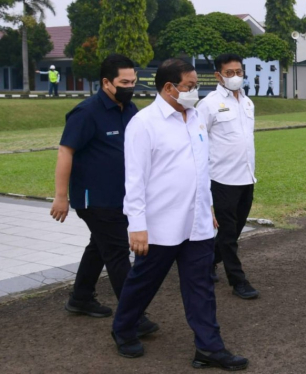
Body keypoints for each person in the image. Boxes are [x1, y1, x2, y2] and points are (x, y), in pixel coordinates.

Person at [111, 58, 248, 371]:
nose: (194, 91)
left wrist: (209, 207)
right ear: (169, 87)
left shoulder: (196, 117)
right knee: (144, 281)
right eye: (189, 86)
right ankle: (123, 328)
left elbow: (201, 168)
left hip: (197, 223)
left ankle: (209, 348)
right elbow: (134, 180)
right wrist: (137, 226)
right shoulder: (144, 124)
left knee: (200, 286)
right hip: (160, 225)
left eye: (196, 85)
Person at [49, 54, 157, 335]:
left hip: (121, 197)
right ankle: (133, 315)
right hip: (94, 198)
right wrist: (61, 196)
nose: (130, 86)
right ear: (106, 82)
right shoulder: (86, 112)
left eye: (133, 81)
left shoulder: (130, 109)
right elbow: (65, 151)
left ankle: (81, 298)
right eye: (124, 82)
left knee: (99, 247)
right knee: (118, 252)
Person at [197, 54, 259, 300]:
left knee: (235, 229)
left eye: (239, 71)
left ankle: (209, 261)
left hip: (246, 176)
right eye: (230, 72)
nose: (236, 76)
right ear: (218, 75)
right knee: (228, 232)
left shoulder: (247, 102)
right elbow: (199, 141)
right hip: (221, 178)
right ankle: (238, 280)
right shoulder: (209, 104)